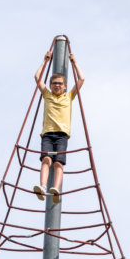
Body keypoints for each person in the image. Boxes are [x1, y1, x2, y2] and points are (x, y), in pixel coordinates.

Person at [33, 50, 85, 204]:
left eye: (60, 84)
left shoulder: (68, 96)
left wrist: (74, 63)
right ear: (50, 85)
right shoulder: (47, 95)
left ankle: (55, 190)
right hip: (48, 134)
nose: (57, 86)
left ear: (64, 86)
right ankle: (43, 187)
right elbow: (37, 77)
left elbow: (82, 79)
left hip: (62, 134)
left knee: (58, 163)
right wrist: (45, 61)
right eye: (54, 83)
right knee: (46, 160)